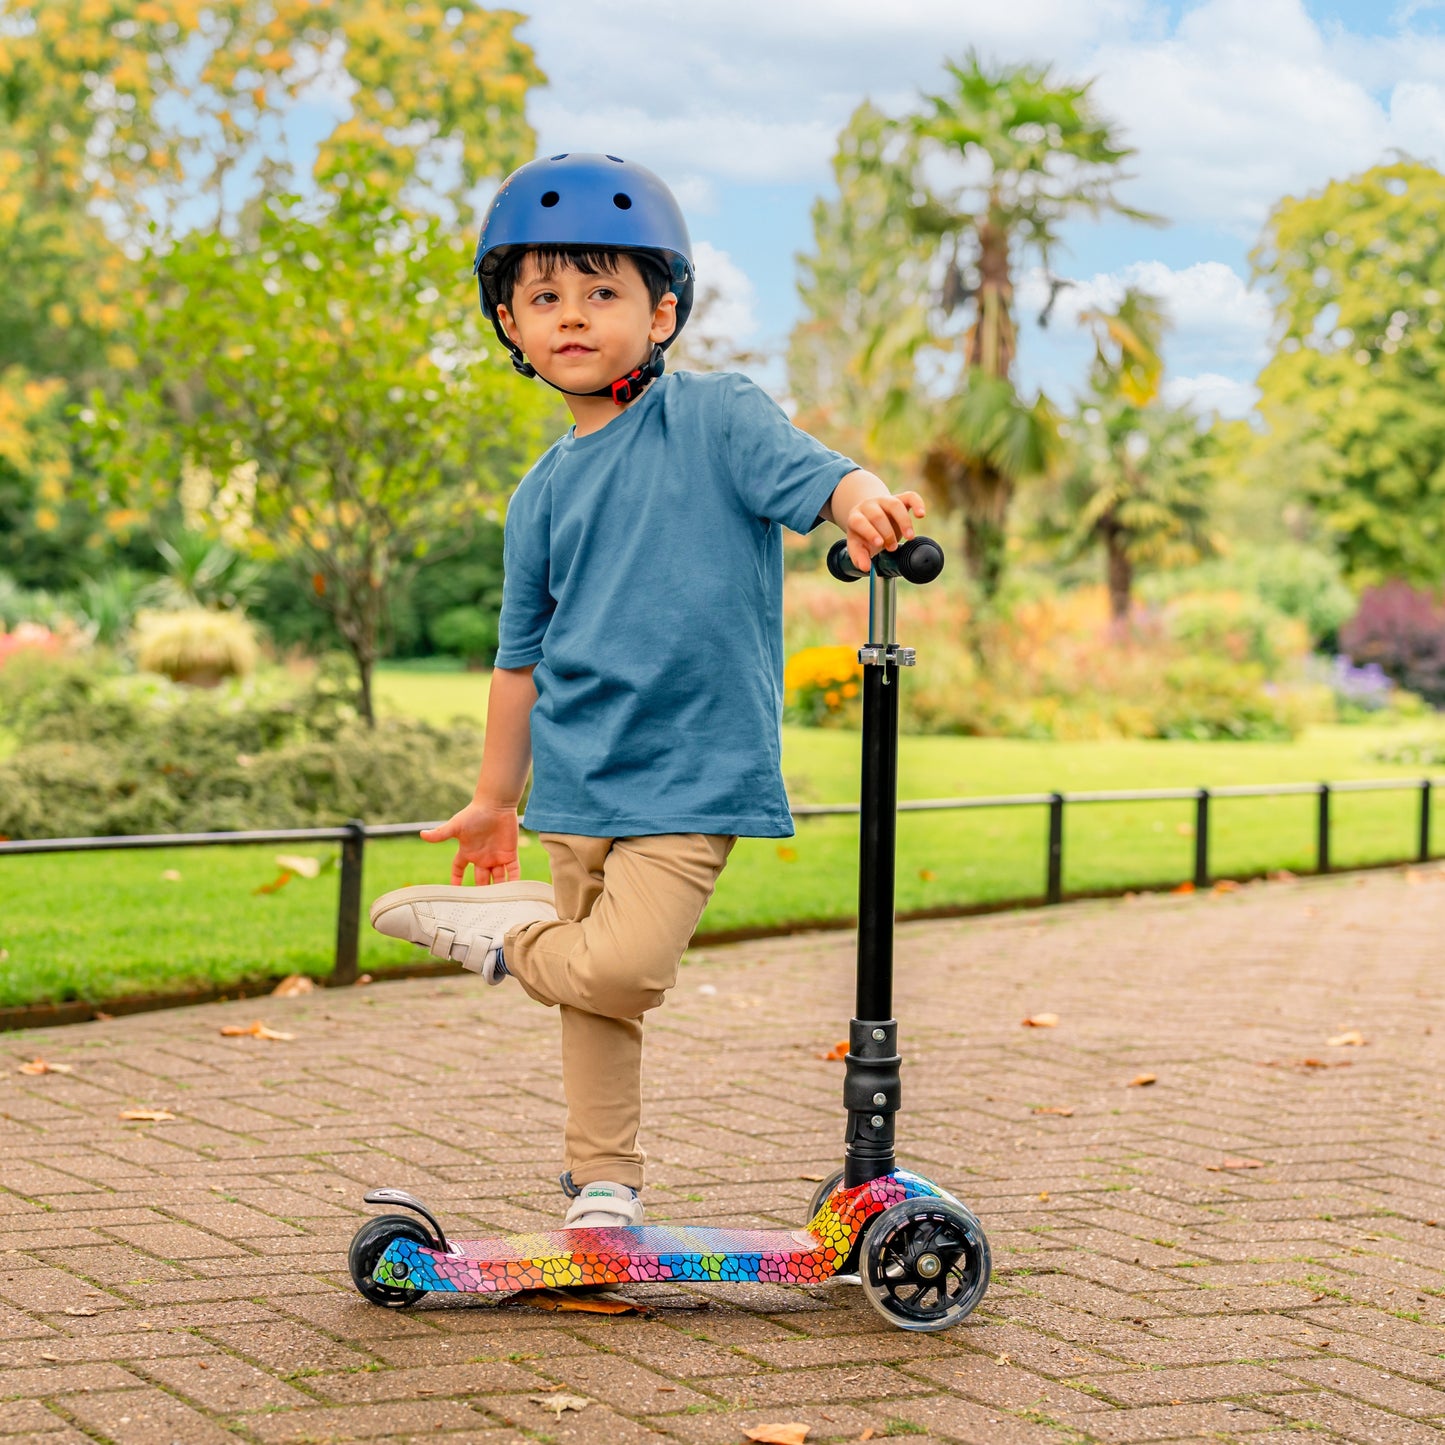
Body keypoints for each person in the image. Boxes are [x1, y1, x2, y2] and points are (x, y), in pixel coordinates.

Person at [369, 153, 923, 1229]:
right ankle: (603, 1182)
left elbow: (818, 474)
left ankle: (498, 939)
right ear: (511, 326)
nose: (571, 315)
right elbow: (518, 659)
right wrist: (494, 799)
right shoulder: (538, 493)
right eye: (543, 297)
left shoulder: (715, 417)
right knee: (595, 1007)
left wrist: (861, 502)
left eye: (601, 291)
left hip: (692, 771)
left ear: (661, 310)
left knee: (617, 969)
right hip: (576, 778)